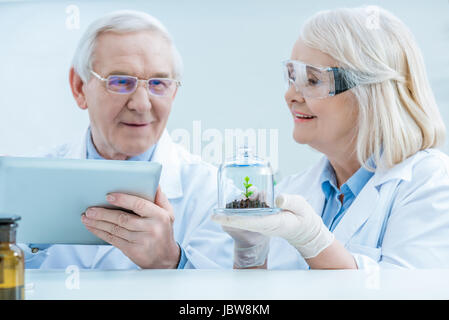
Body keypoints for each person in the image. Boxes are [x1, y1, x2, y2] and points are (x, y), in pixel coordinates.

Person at [212, 6, 449, 269]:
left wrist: (314, 241)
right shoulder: (293, 190)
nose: (291, 95)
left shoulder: (432, 182)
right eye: (292, 78)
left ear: (371, 91)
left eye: (312, 80)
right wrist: (250, 252)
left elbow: (410, 291)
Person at [21, 10, 232, 270]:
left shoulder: (212, 194)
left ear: (174, 92)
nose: (142, 105)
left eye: (158, 83)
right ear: (79, 87)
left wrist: (170, 262)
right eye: (121, 81)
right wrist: (23, 245)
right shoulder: (25, 184)